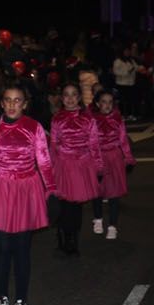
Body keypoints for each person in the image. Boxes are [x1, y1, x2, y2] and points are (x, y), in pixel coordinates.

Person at [0, 84, 55, 305]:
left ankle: (22, 299)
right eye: (8, 100)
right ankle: (1, 297)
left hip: (25, 189)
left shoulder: (34, 127)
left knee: (22, 249)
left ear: (25, 104)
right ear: (1, 103)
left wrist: (51, 191)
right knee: (1, 248)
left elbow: (44, 162)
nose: (12, 104)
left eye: (17, 100)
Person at [49, 84, 102, 256]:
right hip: (63, 164)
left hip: (81, 165)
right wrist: (51, 168)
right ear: (62, 98)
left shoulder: (88, 119)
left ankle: (73, 239)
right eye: (66, 95)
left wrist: (98, 166)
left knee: (76, 205)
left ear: (79, 97)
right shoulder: (57, 119)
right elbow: (54, 144)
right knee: (65, 204)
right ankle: (64, 235)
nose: (70, 99)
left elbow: (94, 144)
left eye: (73, 95)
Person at [91, 89, 134, 239]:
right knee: (97, 192)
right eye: (104, 102)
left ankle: (113, 226)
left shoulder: (117, 119)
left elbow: (123, 140)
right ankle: (98, 219)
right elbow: (90, 143)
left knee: (114, 193)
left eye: (110, 102)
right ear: (97, 104)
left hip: (114, 158)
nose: (107, 105)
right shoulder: (92, 121)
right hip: (98, 158)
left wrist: (128, 158)